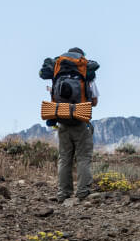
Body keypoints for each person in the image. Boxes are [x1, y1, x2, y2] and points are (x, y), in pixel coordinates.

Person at [40, 47, 99, 202]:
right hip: (80, 120)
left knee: (64, 158)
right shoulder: (85, 70)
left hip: (62, 119)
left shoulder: (58, 69)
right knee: (83, 157)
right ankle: (82, 192)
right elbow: (94, 101)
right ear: (82, 56)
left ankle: (63, 193)